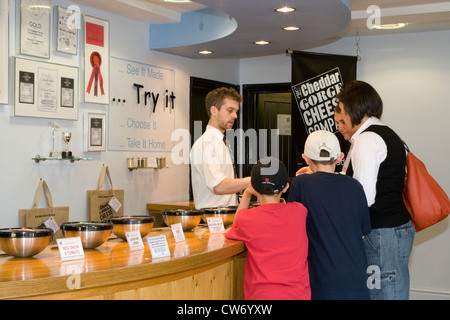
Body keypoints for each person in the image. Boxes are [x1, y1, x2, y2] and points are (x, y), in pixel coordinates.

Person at [334, 80, 415, 300]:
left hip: (381, 233)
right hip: (391, 230)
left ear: (354, 109)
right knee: (391, 289)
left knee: (384, 293)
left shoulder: (367, 139)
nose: (340, 123)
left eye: (342, 115)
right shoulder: (385, 133)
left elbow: (363, 195)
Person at [288, 130, 372, 300]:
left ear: (305, 159)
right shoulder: (355, 186)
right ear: (340, 157)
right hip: (357, 282)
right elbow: (363, 232)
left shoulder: (301, 184)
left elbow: (292, 230)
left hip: (322, 282)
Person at [225, 157, 310, 300]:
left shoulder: (247, 219)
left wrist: (246, 194)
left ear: (253, 186)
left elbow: (235, 226)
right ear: (285, 187)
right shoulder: (299, 211)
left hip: (262, 296)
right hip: (298, 294)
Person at [190, 87, 250, 209]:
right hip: (213, 218)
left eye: (236, 111)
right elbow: (219, 186)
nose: (235, 116)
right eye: (230, 110)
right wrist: (252, 180)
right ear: (214, 110)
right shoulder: (206, 143)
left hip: (227, 214)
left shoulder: (223, 142)